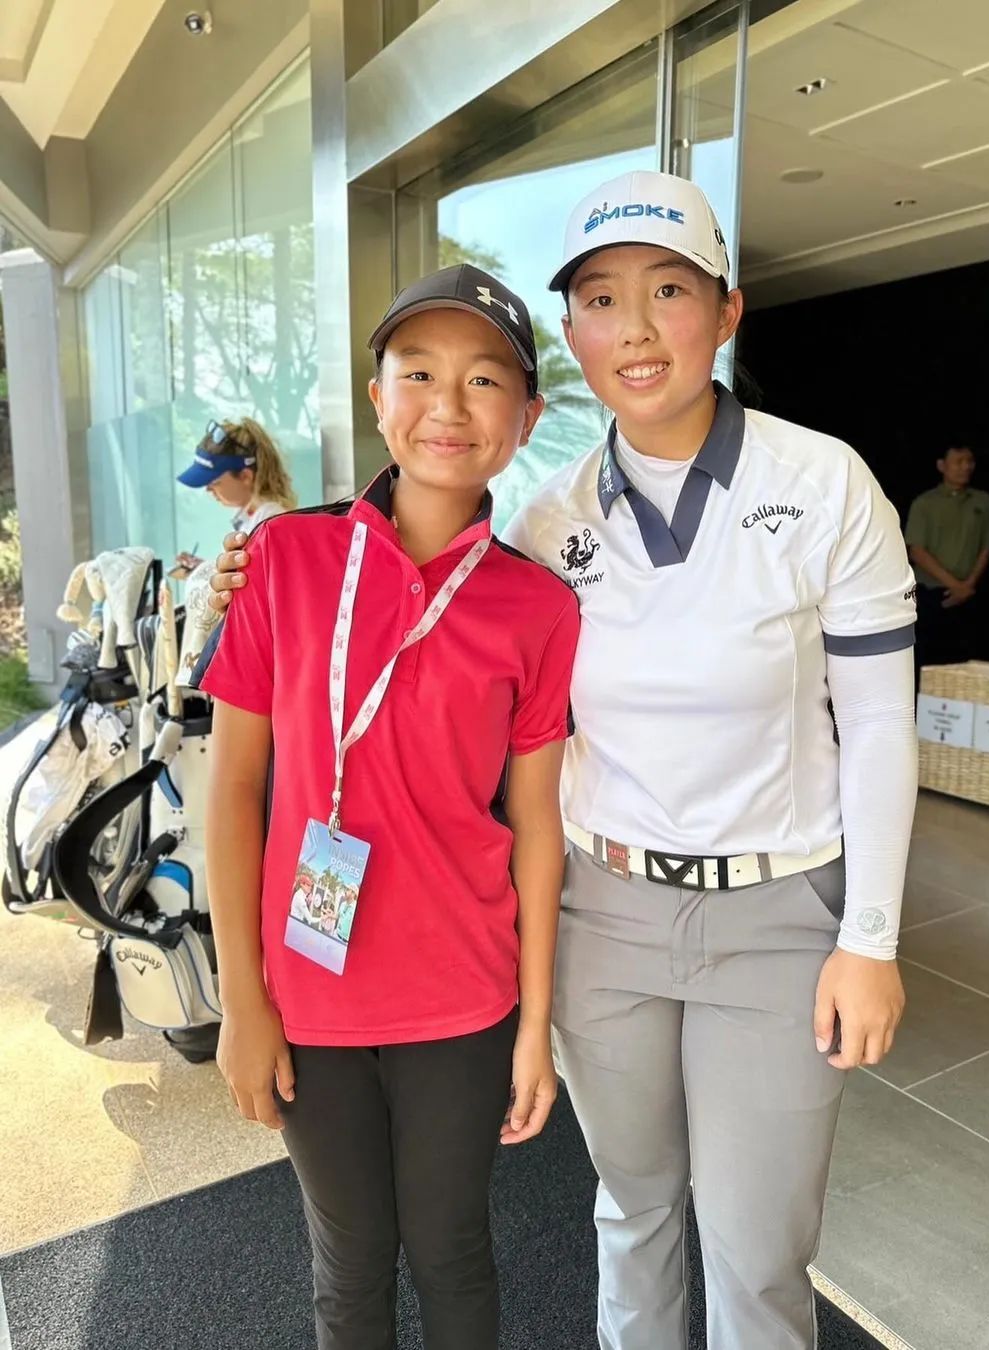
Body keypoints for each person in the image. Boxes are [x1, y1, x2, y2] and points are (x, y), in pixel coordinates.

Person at [208, 172, 917, 1350]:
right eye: (599, 300)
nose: (633, 328)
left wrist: (873, 935)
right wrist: (264, 562)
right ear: (576, 336)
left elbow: (883, 721)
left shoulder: (823, 483)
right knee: (631, 1214)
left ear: (727, 312)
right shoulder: (547, 522)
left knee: (755, 1253)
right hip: (606, 912)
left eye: (669, 292)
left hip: (779, 912)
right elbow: (410, 550)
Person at [199, 265, 579, 1350]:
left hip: (463, 994)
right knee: (350, 1263)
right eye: (419, 373)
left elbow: (537, 828)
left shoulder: (538, 606)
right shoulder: (283, 559)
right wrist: (241, 1001)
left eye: (484, 381)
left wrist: (536, 1026)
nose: (448, 406)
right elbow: (233, 788)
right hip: (308, 992)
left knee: (453, 1252)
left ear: (525, 420)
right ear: (378, 398)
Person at [905, 444, 989, 681]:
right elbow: (916, 551)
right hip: (931, 595)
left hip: (969, 595)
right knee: (928, 662)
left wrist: (968, 586)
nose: (965, 467)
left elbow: (987, 545)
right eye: (958, 461)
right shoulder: (925, 503)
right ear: (942, 465)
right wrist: (955, 585)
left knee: (965, 664)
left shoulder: (982, 501)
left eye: (969, 461)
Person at [173, 418, 299, 574]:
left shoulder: (270, 522)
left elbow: (249, 582)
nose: (208, 490)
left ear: (246, 476)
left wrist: (203, 574)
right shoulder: (252, 517)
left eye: (214, 482)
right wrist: (205, 568)